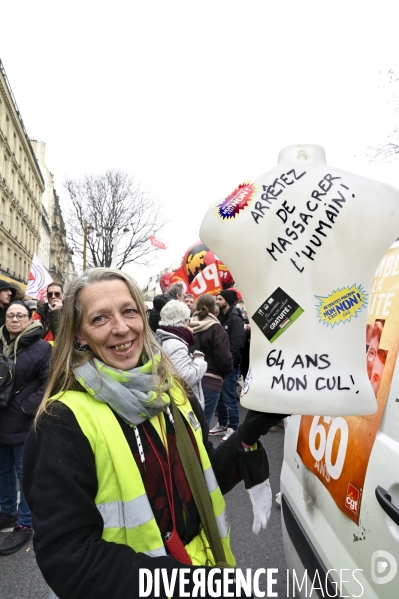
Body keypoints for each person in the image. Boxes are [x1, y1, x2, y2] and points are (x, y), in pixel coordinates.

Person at [23, 268, 283, 599]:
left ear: (144, 318)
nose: (121, 328)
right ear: (80, 335)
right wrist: (187, 585)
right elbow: (68, 556)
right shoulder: (62, 421)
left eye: (129, 311)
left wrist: (249, 431)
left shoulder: (175, 392)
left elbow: (199, 480)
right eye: (100, 319)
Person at [0, 301, 52, 555]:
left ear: (29, 319)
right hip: (0, 419)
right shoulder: (0, 343)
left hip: (22, 421)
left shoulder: (42, 348)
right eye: (10, 315)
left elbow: (49, 381)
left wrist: (26, 408)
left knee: (25, 474)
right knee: (3, 471)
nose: (14, 319)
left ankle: (25, 522)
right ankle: (7, 511)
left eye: (20, 315)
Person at [188, 294, 233, 424]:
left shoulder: (187, 327)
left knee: (191, 427)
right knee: (203, 426)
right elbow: (224, 359)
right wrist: (226, 372)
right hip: (211, 380)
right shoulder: (217, 329)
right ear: (214, 309)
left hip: (189, 380)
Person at [156, 300, 207, 409]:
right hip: (184, 403)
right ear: (184, 321)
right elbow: (184, 377)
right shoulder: (176, 344)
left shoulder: (165, 338)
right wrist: (199, 361)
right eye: (187, 320)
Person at [210, 289, 246, 441]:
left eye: (220, 299)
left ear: (228, 301)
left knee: (229, 396)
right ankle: (222, 424)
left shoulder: (235, 319)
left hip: (229, 365)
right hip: (219, 363)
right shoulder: (222, 317)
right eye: (217, 299)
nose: (217, 302)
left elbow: (237, 344)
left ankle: (233, 427)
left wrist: (230, 363)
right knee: (220, 397)